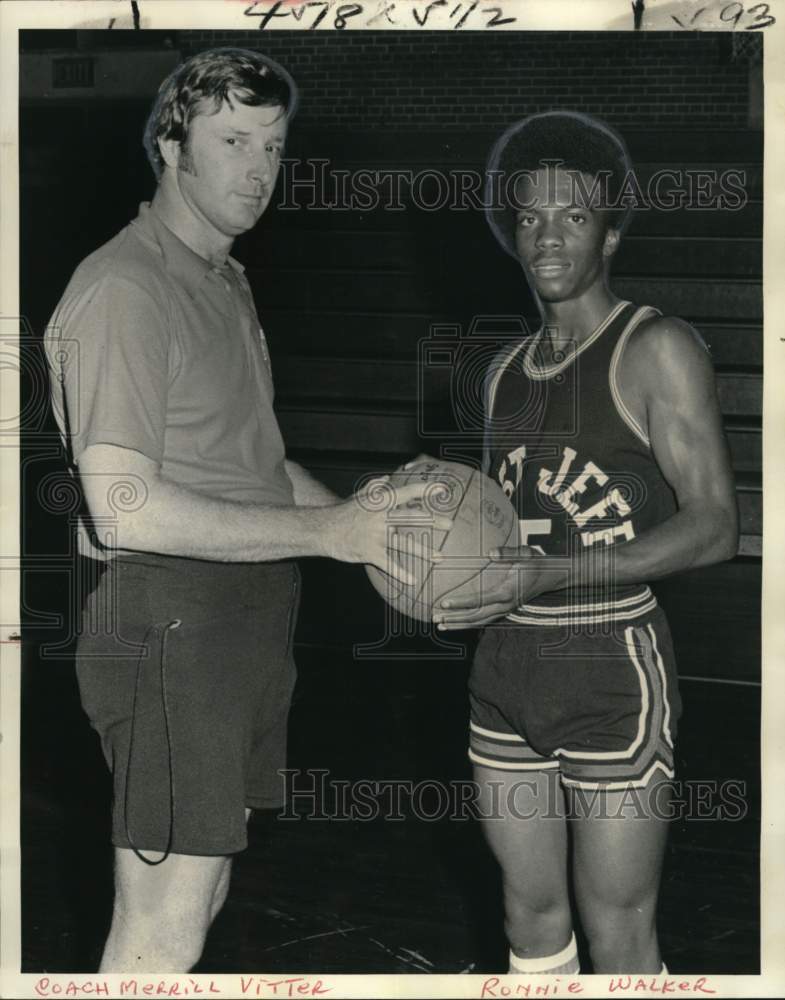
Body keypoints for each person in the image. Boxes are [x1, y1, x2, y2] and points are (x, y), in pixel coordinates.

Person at [43, 47, 449, 973]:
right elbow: (122, 509)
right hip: (171, 627)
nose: (258, 168)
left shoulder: (222, 278)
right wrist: (327, 533)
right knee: (157, 927)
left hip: (242, 623)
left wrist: (367, 517)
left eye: (272, 143)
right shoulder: (126, 287)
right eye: (231, 140)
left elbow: (251, 472)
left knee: (201, 894)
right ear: (169, 147)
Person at [429, 111, 739, 973]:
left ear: (609, 232)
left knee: (619, 927)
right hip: (504, 667)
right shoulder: (498, 373)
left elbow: (716, 525)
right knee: (528, 916)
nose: (548, 236)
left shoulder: (655, 347)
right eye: (530, 217)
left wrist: (554, 572)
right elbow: (501, 532)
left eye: (572, 216)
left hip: (610, 663)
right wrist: (442, 578)